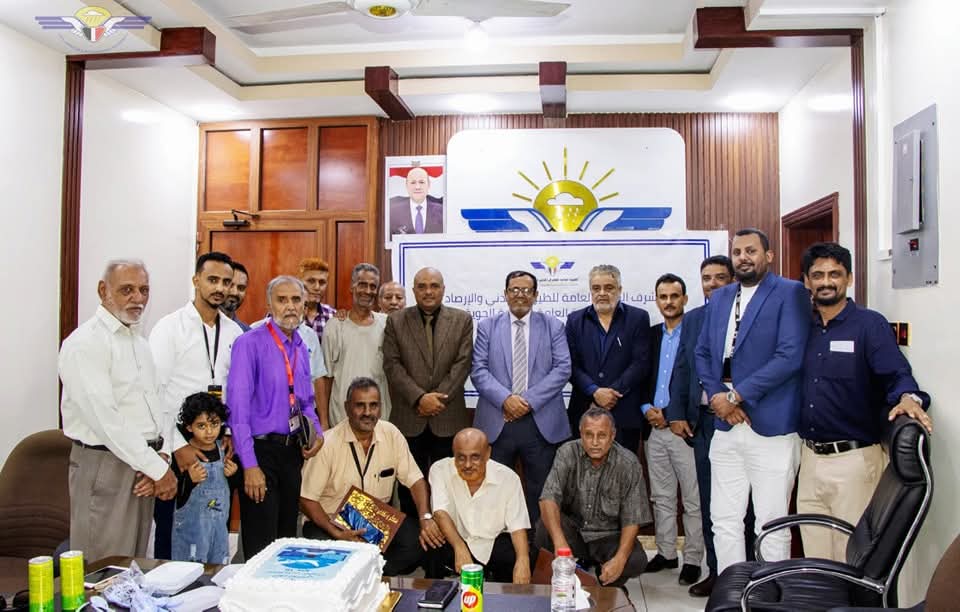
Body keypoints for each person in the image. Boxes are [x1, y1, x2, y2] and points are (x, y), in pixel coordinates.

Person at [798, 242, 932, 561]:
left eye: (835, 274)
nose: (826, 282)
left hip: (854, 462)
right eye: (818, 275)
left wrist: (909, 397)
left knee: (852, 559)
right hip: (809, 460)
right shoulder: (802, 328)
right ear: (806, 281)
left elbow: (896, 373)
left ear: (849, 278)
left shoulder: (869, 325)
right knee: (816, 560)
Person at [694, 228, 809, 572]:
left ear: (768, 256)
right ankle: (733, 591)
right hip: (726, 424)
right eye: (737, 252)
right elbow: (703, 352)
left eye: (751, 251)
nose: (743, 257)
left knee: (770, 524)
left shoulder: (790, 292)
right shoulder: (720, 298)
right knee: (724, 520)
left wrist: (736, 395)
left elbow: (790, 356)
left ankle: (770, 594)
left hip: (771, 425)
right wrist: (719, 397)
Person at [59, 259, 177, 560]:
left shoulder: (139, 342)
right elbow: (105, 420)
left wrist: (161, 457)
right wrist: (157, 469)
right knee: (103, 568)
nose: (138, 298)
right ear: (103, 290)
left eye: (144, 290)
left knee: (133, 566)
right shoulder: (85, 343)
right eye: (127, 290)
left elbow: (159, 404)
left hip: (142, 464)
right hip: (106, 465)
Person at [149, 251, 244, 559]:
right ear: (196, 280)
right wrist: (177, 446)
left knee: (214, 527)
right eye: (212, 280)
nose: (220, 288)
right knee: (174, 532)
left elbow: (233, 390)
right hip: (179, 442)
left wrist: (227, 433)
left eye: (226, 282)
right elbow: (155, 392)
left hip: (215, 444)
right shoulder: (169, 327)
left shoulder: (233, 332)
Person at [300, 377, 444, 575]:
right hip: (329, 519)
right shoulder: (328, 443)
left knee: (417, 541)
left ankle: (369, 574)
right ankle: (354, 573)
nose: (367, 412)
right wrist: (336, 532)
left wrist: (425, 517)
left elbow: (416, 480)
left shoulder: (391, 433)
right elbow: (306, 499)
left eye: (373, 405)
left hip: (373, 516)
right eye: (360, 405)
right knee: (327, 551)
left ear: (380, 407)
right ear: (347, 407)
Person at [227, 275, 325, 558]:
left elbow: (305, 401)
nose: (290, 306)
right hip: (260, 453)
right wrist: (250, 466)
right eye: (282, 300)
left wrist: (317, 432)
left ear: (304, 304)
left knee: (285, 541)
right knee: (261, 545)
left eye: (296, 299)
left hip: (291, 453)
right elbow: (238, 411)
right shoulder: (249, 343)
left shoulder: (301, 346)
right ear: (269, 304)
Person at [666, 255, 747, 596]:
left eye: (720, 277)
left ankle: (749, 574)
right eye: (706, 278)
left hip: (744, 421)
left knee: (746, 506)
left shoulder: (749, 314)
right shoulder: (694, 318)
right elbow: (682, 367)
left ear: (733, 280)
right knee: (712, 503)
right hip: (704, 424)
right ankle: (717, 572)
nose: (712, 284)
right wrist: (676, 412)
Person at [471, 270, 571, 525]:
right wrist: (507, 399)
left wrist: (526, 401)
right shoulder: (487, 327)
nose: (520, 295)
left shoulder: (553, 326)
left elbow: (563, 369)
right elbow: (478, 370)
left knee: (541, 492)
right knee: (494, 491)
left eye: (526, 290)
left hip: (540, 423)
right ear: (505, 294)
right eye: (514, 289)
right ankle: (499, 545)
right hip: (498, 422)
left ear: (535, 295)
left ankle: (538, 545)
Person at [382, 267, 474, 517]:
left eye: (434, 286)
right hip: (409, 418)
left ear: (443, 289)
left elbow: (463, 363)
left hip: (448, 418)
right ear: (414, 291)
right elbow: (392, 365)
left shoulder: (462, 320)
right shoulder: (396, 320)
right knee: (408, 488)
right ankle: (414, 536)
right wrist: (419, 398)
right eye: (422, 286)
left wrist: (437, 399)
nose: (428, 291)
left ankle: (446, 537)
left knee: (450, 487)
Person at [536, 406, 651, 588]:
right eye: (589, 435)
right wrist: (560, 544)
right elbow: (548, 498)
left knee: (635, 560)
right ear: (580, 433)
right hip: (574, 532)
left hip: (608, 536)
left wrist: (620, 559)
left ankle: (610, 582)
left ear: (612, 435)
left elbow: (633, 518)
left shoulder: (628, 463)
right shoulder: (567, 452)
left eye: (602, 435)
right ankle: (559, 580)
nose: (595, 442)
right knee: (544, 526)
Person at [641, 273, 704, 585]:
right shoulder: (651, 335)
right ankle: (666, 553)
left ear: (685, 299)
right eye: (663, 297)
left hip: (684, 430)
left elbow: (698, 380)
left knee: (692, 499)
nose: (668, 302)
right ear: (656, 300)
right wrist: (647, 409)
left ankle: (692, 558)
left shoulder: (696, 332)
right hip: (654, 429)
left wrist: (672, 414)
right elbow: (641, 376)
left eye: (674, 296)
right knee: (661, 496)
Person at [565, 264, 652, 454]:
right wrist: (594, 391)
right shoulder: (575, 320)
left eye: (609, 287)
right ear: (590, 291)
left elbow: (641, 363)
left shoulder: (638, 318)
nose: (602, 293)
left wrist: (611, 393)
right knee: (582, 470)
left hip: (624, 412)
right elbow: (570, 365)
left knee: (624, 468)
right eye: (596, 288)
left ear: (619, 290)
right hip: (584, 410)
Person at [428, 428, 533, 583]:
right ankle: (433, 591)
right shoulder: (440, 469)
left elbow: (517, 526)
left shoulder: (509, 478)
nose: (467, 465)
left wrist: (523, 561)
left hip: (493, 542)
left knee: (519, 556)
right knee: (430, 538)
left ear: (488, 453)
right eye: (461, 458)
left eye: (475, 457)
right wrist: (459, 547)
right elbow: (440, 512)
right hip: (455, 538)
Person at [320, 263, 391, 430]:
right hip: (341, 419)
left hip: (379, 420)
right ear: (352, 287)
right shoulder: (335, 326)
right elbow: (325, 379)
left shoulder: (387, 325)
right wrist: (323, 422)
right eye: (362, 284)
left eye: (373, 286)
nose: (367, 290)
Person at [171, 392, 238, 564]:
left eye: (214, 424)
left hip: (219, 530)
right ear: (189, 427)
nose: (209, 431)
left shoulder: (224, 450)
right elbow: (174, 494)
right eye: (201, 426)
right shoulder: (184, 455)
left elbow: (229, 490)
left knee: (218, 569)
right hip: (191, 531)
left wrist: (232, 474)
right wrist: (189, 480)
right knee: (190, 570)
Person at [389, 167, 443, 235]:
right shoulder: (393, 213)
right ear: (406, 186)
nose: (417, 187)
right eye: (413, 182)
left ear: (429, 185)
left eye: (421, 182)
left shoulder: (442, 211)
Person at [299, 257, 336, 344]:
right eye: (311, 281)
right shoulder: (287, 314)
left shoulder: (333, 316)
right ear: (299, 282)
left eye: (322, 282)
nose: (317, 287)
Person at [221, 261, 251, 332]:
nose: (235, 293)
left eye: (241, 288)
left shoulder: (246, 333)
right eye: (230, 285)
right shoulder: (198, 325)